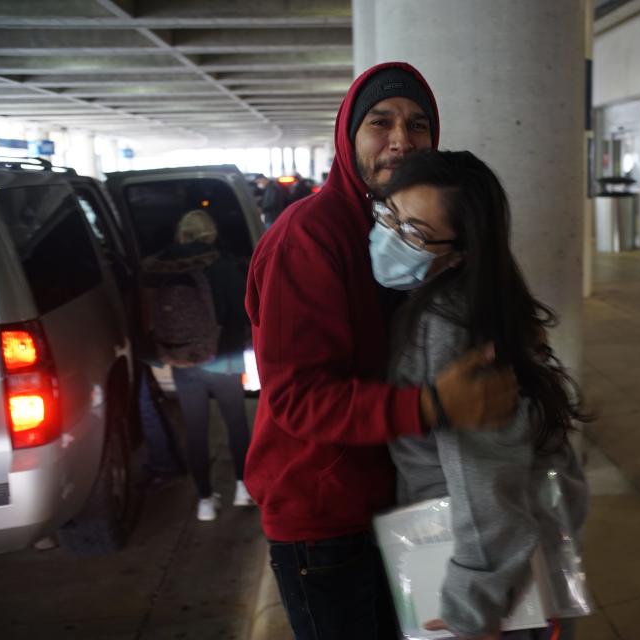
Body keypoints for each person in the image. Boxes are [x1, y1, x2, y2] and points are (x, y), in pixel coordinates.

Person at [244, 62, 519, 640]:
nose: (402, 140)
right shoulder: (309, 236)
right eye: (381, 122)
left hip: (399, 504)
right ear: (350, 134)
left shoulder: (417, 224)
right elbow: (296, 399)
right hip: (325, 516)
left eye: (418, 125)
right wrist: (429, 406)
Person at [376, 150, 589, 640]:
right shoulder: (473, 300)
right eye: (389, 215)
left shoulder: (448, 323)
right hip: (496, 561)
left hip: (474, 572)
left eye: (413, 232)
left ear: (460, 252)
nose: (390, 237)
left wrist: (471, 606)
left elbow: (483, 475)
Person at [144, 209, 254, 521]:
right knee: (235, 422)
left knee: (195, 430)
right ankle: (243, 487)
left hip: (181, 360)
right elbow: (241, 311)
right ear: (210, 233)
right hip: (223, 357)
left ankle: (205, 500)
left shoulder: (159, 268)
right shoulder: (222, 265)